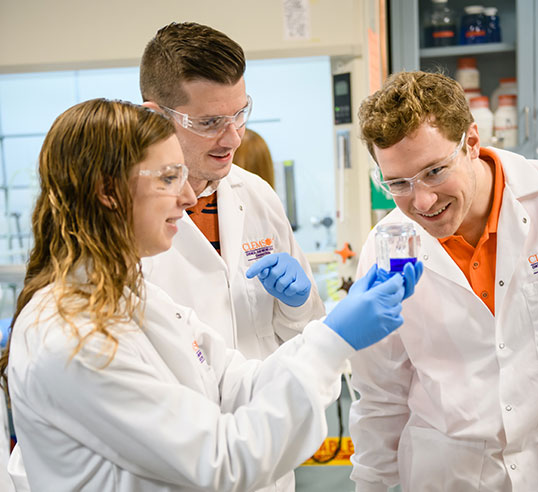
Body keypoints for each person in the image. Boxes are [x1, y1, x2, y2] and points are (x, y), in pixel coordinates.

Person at [0, 98, 422, 491]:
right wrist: (334, 343)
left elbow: (236, 383)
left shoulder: (136, 298)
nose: (187, 198)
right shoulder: (74, 337)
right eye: (169, 178)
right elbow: (221, 461)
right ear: (107, 191)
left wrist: (329, 326)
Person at [348, 70, 538, 491]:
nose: (422, 202)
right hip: (450, 478)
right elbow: (380, 401)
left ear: (471, 142)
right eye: (397, 183)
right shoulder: (386, 250)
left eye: (434, 171)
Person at [139, 22, 325, 367]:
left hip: (265, 408)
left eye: (240, 115)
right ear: (157, 117)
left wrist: (296, 306)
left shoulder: (255, 194)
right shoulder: (128, 219)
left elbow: (304, 335)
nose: (234, 138)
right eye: (209, 123)